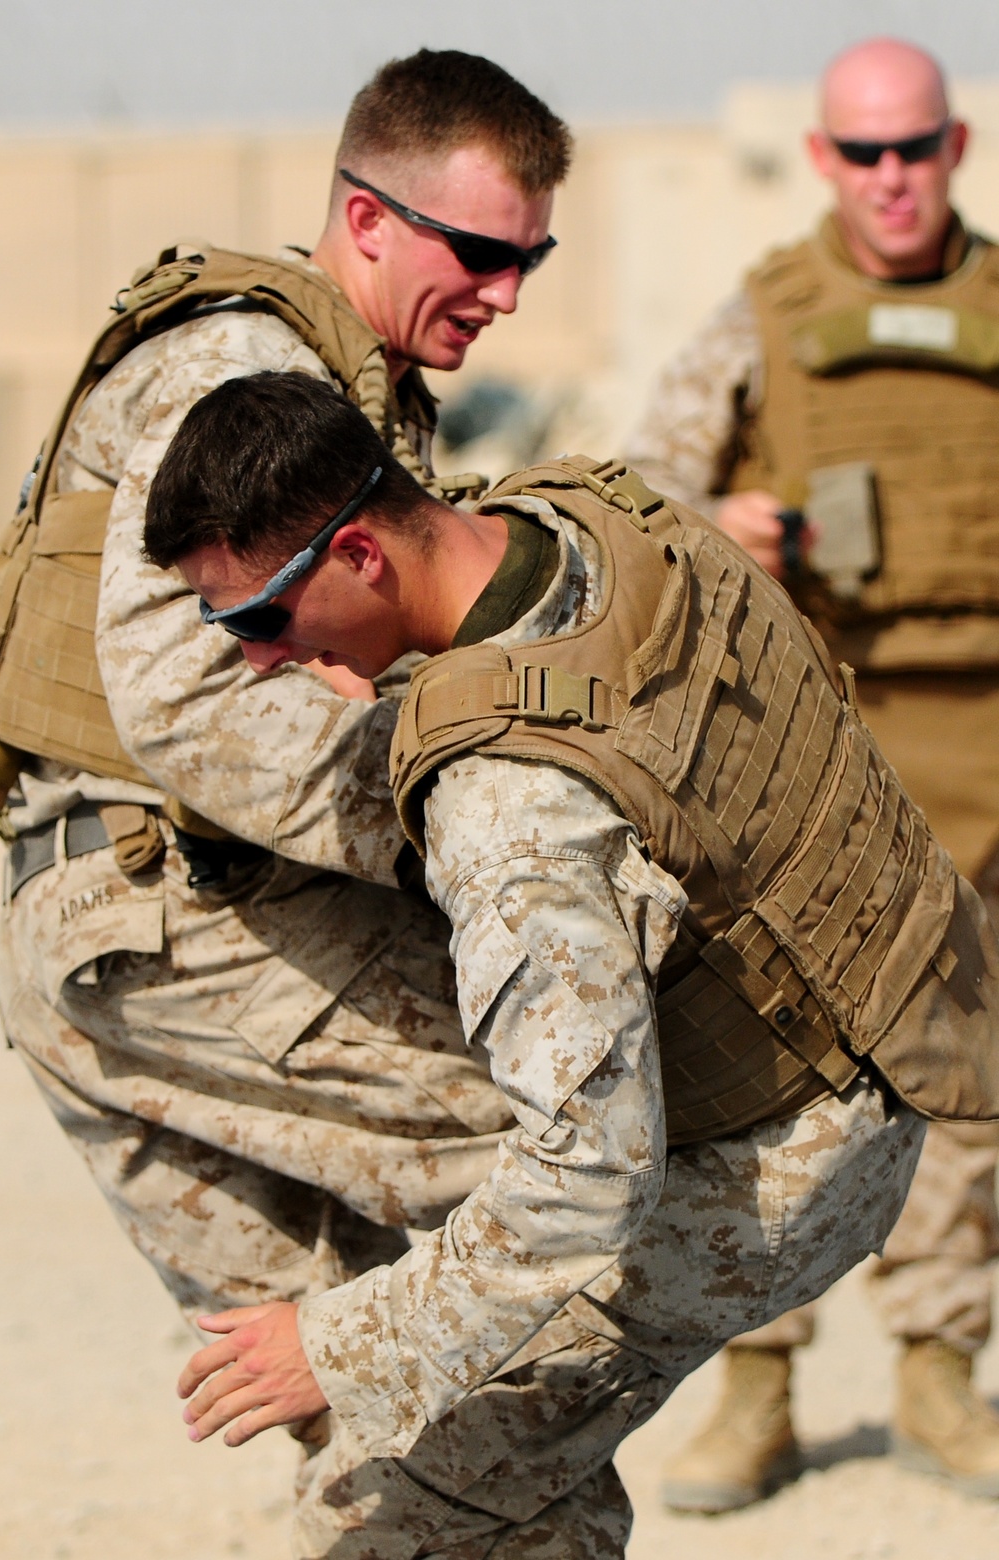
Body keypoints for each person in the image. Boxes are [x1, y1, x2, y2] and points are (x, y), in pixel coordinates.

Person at [140, 367, 999, 1558]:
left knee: (398, 1497)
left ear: (359, 555)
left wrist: (335, 1346)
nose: (254, 662)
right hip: (887, 1030)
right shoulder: (607, 516)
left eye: (257, 618)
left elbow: (585, 1180)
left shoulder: (505, 801)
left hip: (784, 1169)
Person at [0, 49, 569, 1365]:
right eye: (480, 251)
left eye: (529, 260)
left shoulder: (308, 366)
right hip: (186, 922)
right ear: (367, 216)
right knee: (581, 1160)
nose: (504, 296)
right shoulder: (256, 387)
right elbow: (193, 706)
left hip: (107, 926)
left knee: (333, 1370)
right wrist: (480, 843)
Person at [625, 35, 999, 1506]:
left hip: (986, 759)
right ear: (827, 159)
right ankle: (759, 1389)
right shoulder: (763, 316)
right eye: (865, 151)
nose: (893, 177)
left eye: (917, 148)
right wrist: (730, 518)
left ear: (955, 148)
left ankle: (939, 1375)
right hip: (823, 767)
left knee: (970, 1087)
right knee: (780, 1088)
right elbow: (640, 489)